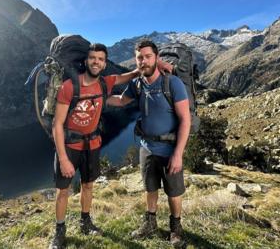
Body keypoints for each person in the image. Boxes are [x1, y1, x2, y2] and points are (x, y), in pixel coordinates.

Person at [49, 43, 140, 249]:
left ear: (105, 63)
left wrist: (143, 70)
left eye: (100, 59)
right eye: (92, 58)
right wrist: (63, 158)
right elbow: (57, 124)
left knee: (88, 185)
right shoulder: (69, 87)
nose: (96, 62)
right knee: (62, 191)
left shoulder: (105, 84)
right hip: (70, 146)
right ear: (86, 60)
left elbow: (127, 77)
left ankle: (85, 222)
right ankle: (59, 232)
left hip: (93, 144)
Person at [107, 39, 191, 247]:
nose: (143, 61)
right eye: (139, 58)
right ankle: (151, 223)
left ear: (156, 58)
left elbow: (185, 119)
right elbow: (120, 100)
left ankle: (176, 229)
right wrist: (94, 97)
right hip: (147, 147)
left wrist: (178, 154)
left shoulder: (172, 83)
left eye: (147, 56)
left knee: (174, 192)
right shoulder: (137, 84)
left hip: (170, 148)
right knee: (150, 188)